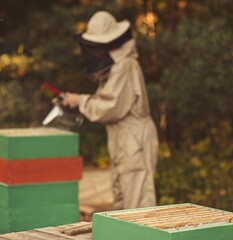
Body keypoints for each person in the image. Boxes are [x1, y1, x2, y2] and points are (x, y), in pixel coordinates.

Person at [60, 11, 159, 210]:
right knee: (122, 203)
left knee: (138, 205)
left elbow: (110, 107)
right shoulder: (116, 67)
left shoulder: (125, 66)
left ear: (108, 44)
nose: (95, 53)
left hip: (133, 141)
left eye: (97, 47)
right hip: (124, 140)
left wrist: (80, 100)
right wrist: (74, 100)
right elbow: (105, 100)